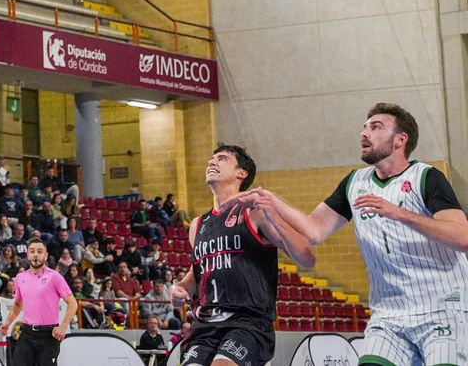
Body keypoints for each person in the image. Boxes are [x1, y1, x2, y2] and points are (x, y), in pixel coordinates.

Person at [224, 103, 468, 365]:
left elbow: (462, 238)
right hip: (389, 314)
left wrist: (400, 213)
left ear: (400, 140)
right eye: (364, 127)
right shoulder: (355, 182)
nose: (364, 133)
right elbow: (314, 230)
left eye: (375, 127)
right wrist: (270, 201)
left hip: (443, 308)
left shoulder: (427, 177)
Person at [170, 146, 313, 366]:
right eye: (211, 159)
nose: (211, 162)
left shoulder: (254, 212)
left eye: (222, 158)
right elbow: (197, 275)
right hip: (206, 325)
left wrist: (274, 216)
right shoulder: (198, 225)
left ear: (241, 173)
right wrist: (179, 288)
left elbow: (307, 257)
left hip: (247, 322)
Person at [0, 239, 79, 366]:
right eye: (32, 251)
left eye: (39, 251)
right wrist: (7, 324)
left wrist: (63, 326)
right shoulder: (20, 277)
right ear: (27, 255)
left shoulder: (55, 277)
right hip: (27, 333)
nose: (35, 254)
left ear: (46, 255)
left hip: (48, 335)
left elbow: (73, 303)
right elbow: (18, 304)